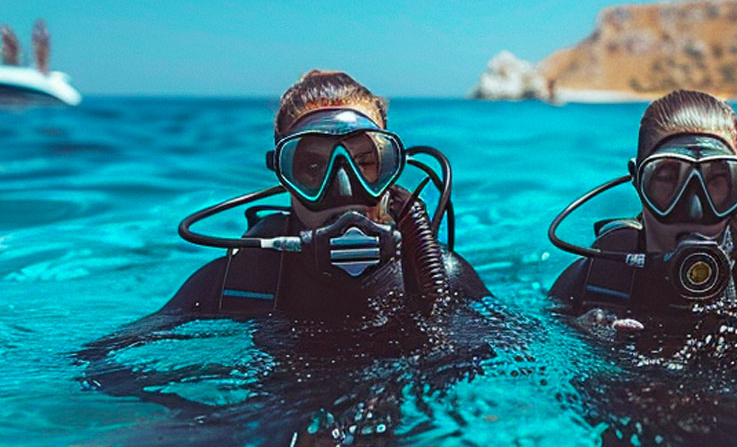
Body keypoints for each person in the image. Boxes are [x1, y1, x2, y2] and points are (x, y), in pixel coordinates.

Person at [140, 70, 486, 325]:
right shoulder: (239, 281)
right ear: (284, 176)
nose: (345, 191)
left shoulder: (440, 277)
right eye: (313, 166)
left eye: (365, 163)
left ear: (390, 169)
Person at [547, 89, 737, 318]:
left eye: (716, 181)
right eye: (666, 177)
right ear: (638, 182)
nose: (695, 210)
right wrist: (590, 338)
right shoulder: (597, 284)